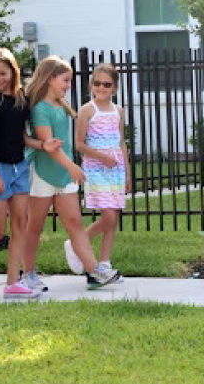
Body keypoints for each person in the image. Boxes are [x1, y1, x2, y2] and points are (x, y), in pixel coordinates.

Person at [22, 56, 121, 290]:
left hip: (64, 176)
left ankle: (94, 271)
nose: (69, 85)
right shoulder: (40, 109)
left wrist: (68, 169)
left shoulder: (60, 105)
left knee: (75, 223)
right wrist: (72, 166)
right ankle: (28, 273)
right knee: (34, 226)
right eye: (65, 80)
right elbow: (50, 145)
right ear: (50, 78)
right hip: (44, 174)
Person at [0, 48, 62, 298]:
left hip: (20, 169)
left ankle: (12, 283)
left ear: (13, 72)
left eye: (2, 73)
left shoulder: (20, 99)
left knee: (19, 225)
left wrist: (43, 145)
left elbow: (24, 137)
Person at [73, 63, 131, 280]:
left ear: (114, 87)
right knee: (107, 216)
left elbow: (121, 143)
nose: (101, 88)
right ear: (91, 85)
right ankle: (78, 243)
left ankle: (105, 262)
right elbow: (79, 144)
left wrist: (126, 172)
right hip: (96, 169)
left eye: (106, 84)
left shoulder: (118, 111)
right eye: (97, 83)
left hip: (115, 171)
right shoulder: (87, 110)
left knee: (113, 218)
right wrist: (101, 157)